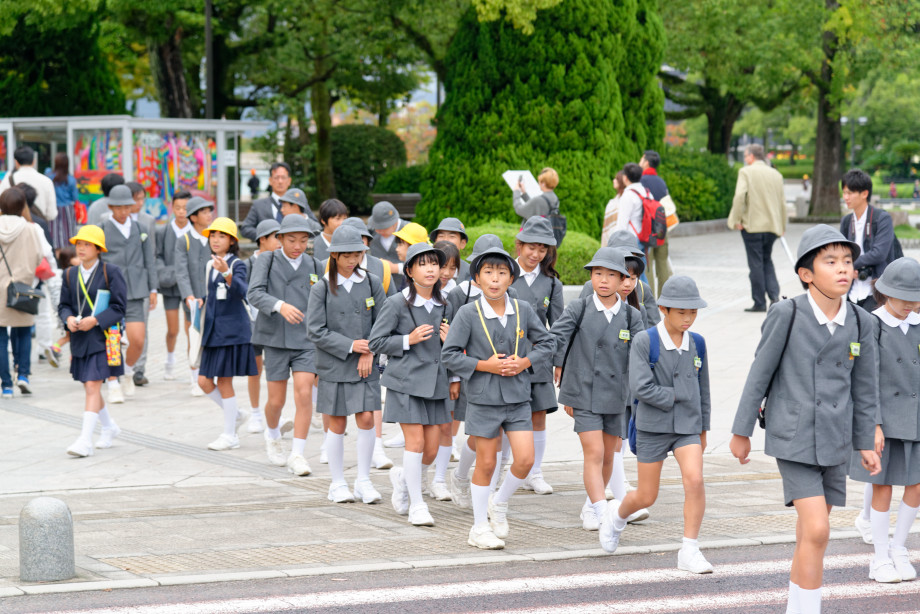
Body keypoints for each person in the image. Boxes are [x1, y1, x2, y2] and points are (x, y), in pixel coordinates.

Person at [729, 225, 881, 614]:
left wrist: (865, 441)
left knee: (809, 536)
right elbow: (759, 374)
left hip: (835, 440)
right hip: (793, 437)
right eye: (830, 262)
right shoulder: (787, 313)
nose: (843, 269)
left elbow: (865, 390)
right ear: (806, 273)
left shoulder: (862, 322)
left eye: (847, 261)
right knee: (817, 529)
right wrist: (741, 431)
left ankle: (795, 606)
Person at [442, 244, 554, 550]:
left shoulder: (523, 310)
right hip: (483, 398)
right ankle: (479, 528)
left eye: (502, 273)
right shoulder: (468, 312)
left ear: (511, 278)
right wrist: (484, 365)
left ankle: (500, 502)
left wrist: (525, 362)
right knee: (487, 462)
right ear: (477, 278)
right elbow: (449, 354)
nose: (495, 279)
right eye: (488, 272)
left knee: (526, 460)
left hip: (518, 397)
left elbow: (546, 342)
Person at [602, 276, 712, 576]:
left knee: (695, 480)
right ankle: (617, 516)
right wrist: (676, 395)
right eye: (681, 312)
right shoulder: (645, 340)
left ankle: (689, 549)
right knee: (647, 495)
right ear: (663, 308)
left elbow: (704, 390)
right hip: (653, 426)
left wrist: (703, 430)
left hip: (688, 426)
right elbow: (640, 387)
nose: (688, 318)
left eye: (693, 312)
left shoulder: (698, 343)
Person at [551, 247, 643, 535]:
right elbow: (555, 338)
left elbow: (643, 355)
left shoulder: (631, 316)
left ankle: (593, 504)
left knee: (607, 455)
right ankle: (604, 512)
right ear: (590, 277)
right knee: (593, 452)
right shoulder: (579, 308)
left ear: (623, 280)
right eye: (597, 273)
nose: (603, 280)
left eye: (611, 275)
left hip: (617, 395)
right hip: (584, 392)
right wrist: (549, 362)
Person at [370, 243, 453, 525]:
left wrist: (449, 339)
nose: (430, 269)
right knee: (415, 443)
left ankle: (403, 479)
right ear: (409, 270)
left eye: (435, 264)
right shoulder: (396, 303)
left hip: (435, 383)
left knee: (431, 449)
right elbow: (376, 342)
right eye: (423, 264)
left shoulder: (446, 304)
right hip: (405, 382)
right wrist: (408, 339)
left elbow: (454, 348)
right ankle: (418, 505)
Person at [848, 258, 920, 583]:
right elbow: (866, 379)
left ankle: (899, 548)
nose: (910, 305)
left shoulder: (918, 322)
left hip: (915, 417)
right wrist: (873, 423)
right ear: (886, 292)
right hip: (884, 420)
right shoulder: (871, 324)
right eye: (904, 297)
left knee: (916, 485)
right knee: (882, 486)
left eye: (915, 297)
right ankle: (879, 557)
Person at [306, 225, 387, 504]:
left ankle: (363, 480)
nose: (353, 261)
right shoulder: (321, 287)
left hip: (366, 364)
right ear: (335, 256)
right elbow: (315, 330)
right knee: (337, 423)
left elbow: (384, 323)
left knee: (366, 418)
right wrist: (351, 346)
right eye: (347, 256)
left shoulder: (372, 282)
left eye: (358, 255)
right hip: (334, 364)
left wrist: (370, 352)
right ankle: (337, 483)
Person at [248, 215, 323, 474]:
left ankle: (298, 454)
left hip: (305, 339)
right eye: (291, 240)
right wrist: (279, 305)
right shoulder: (267, 260)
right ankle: (272, 434)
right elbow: (254, 293)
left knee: (304, 393)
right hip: (276, 339)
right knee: (276, 402)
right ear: (279, 239)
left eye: (303, 241)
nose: (297, 246)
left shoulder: (315, 264)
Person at [59, 226, 127, 457]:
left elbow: (119, 307)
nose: (81, 247)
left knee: (91, 385)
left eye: (87, 244)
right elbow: (63, 305)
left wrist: (96, 320)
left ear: (98, 249)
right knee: (89, 385)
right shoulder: (69, 274)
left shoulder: (111, 271)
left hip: (102, 337)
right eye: (79, 243)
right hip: (79, 337)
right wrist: (67, 318)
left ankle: (85, 440)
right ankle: (109, 427)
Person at [512, 217, 563, 495]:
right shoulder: (504, 273)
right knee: (508, 414)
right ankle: (507, 469)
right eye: (531, 247)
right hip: (507, 356)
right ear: (519, 245)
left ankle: (535, 472)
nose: (535, 255)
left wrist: (559, 361)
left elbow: (558, 326)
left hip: (540, 357)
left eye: (542, 249)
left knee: (539, 414)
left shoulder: (551, 283)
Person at [196, 218, 256, 451]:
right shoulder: (209, 264)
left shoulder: (237, 264)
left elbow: (242, 291)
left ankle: (230, 434)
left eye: (221, 236)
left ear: (232, 241)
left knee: (223, 381)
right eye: (212, 236)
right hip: (213, 331)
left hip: (232, 331)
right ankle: (236, 415)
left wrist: (227, 273)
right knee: (203, 381)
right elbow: (213, 296)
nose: (216, 240)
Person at [99, 184, 157, 403]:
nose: (124, 211)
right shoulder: (102, 228)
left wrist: (153, 288)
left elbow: (149, 260)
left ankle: (128, 370)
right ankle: (113, 382)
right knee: (113, 338)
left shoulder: (140, 228)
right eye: (119, 207)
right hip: (109, 290)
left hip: (136, 289)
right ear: (111, 206)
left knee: (137, 339)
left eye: (127, 207)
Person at [727, 144, 787, 313]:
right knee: (767, 260)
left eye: (746, 156)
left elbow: (740, 196)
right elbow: (782, 201)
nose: (745, 160)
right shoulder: (776, 174)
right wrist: (782, 225)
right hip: (772, 226)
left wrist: (735, 220)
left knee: (756, 263)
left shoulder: (746, 172)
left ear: (751, 157)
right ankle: (774, 297)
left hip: (752, 225)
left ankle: (759, 301)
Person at [0, 188, 44, 397]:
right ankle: (24, 375)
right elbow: (38, 257)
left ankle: (6, 385)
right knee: (24, 332)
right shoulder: (30, 229)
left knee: (0, 337)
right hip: (22, 289)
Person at [839, 168, 896, 313]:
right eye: (844, 192)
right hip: (852, 291)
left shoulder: (881, 218)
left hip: (876, 291)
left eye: (850, 193)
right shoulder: (846, 221)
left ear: (864, 193)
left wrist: (851, 265)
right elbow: (841, 253)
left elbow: (879, 253)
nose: (846, 197)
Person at [243, 218, 281, 435]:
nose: (280, 242)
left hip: (277, 323)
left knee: (276, 372)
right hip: (254, 323)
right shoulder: (248, 264)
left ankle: (274, 413)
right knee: (255, 369)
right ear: (262, 240)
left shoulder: (281, 262)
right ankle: (255, 412)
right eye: (276, 237)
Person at [176, 196, 215, 396]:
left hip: (214, 299)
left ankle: (209, 374)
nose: (209, 215)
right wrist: (188, 296)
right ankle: (194, 378)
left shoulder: (214, 238)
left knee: (213, 336)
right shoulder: (184, 241)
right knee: (194, 337)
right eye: (205, 212)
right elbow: (181, 271)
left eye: (210, 211)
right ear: (193, 217)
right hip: (192, 301)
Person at [580, 231, 660, 328]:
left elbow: (653, 325)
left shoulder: (643, 289)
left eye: (630, 255)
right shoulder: (592, 286)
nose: (625, 259)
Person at [155, 191, 192, 381]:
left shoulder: (196, 231)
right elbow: (158, 255)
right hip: (170, 285)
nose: (181, 212)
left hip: (190, 287)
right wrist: (167, 273)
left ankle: (193, 368)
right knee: (172, 329)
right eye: (177, 208)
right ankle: (169, 361)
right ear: (172, 208)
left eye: (185, 208)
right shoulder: (163, 231)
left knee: (190, 328)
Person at [125, 181, 157, 387]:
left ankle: (139, 369)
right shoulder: (106, 221)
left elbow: (150, 255)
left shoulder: (148, 221)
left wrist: (153, 287)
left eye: (141, 199)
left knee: (141, 328)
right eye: (135, 199)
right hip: (117, 286)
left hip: (140, 284)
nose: (139, 203)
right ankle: (115, 367)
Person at [239, 162, 318, 240]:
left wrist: (302, 216)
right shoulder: (258, 205)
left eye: (283, 177)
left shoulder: (298, 202)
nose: (280, 181)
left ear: (289, 181)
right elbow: (245, 229)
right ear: (270, 180)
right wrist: (267, 235)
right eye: (276, 177)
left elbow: (317, 228)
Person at [639, 150, 673, 294]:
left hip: (648, 229)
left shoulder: (641, 181)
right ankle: (665, 298)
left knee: (647, 267)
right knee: (663, 263)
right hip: (662, 228)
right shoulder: (661, 181)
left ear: (646, 162)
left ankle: (649, 300)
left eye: (641, 159)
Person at [0, 146, 56, 222]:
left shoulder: (7, 180)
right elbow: (52, 214)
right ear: (34, 161)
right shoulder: (47, 181)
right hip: (39, 226)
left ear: (16, 162)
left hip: (14, 229)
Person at [367, 201, 407, 287]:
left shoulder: (411, 230)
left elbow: (425, 262)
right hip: (379, 287)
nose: (379, 231)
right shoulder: (370, 232)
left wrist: (396, 268)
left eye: (384, 227)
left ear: (395, 222)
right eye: (377, 227)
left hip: (406, 286)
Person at [45, 152, 80, 250]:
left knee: (54, 234)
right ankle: (68, 256)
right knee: (69, 233)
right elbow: (74, 197)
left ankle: (57, 257)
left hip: (53, 208)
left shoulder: (49, 177)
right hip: (67, 209)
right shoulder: (71, 179)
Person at [601, 171, 627, 247]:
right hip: (613, 240)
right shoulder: (614, 201)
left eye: (616, 179)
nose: (613, 180)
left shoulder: (624, 200)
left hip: (620, 241)